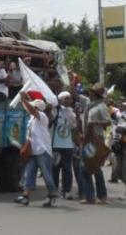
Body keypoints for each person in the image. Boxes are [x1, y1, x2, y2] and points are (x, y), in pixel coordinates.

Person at [69, 76, 111, 205]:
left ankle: (101, 196)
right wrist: (71, 79)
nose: (89, 93)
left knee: (94, 166)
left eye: (92, 92)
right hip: (86, 139)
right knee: (85, 167)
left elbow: (108, 121)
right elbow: (74, 94)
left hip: (96, 139)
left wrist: (95, 122)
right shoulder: (88, 102)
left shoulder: (101, 106)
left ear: (96, 94)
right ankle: (90, 196)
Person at [14, 93, 58, 207]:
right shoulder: (33, 118)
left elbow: (31, 110)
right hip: (33, 150)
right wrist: (24, 100)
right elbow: (28, 109)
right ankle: (25, 197)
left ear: (37, 108)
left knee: (46, 174)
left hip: (42, 150)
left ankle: (52, 194)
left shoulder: (42, 116)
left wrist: (24, 99)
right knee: (29, 173)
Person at [50, 91, 77, 200]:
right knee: (54, 168)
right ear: (60, 100)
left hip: (68, 146)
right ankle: (54, 190)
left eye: (69, 99)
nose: (68, 100)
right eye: (65, 98)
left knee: (67, 169)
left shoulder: (71, 113)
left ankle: (66, 191)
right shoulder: (54, 111)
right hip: (55, 145)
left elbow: (74, 126)